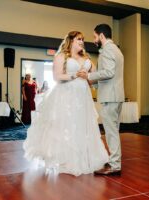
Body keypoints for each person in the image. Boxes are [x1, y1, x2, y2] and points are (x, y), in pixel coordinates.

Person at [23, 31, 109, 176]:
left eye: (83, 39)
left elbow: (94, 77)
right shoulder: (61, 56)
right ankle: (67, 159)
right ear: (71, 41)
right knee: (68, 125)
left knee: (84, 125)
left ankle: (86, 158)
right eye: (78, 39)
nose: (82, 42)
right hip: (67, 96)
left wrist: (90, 77)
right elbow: (56, 77)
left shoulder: (87, 57)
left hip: (84, 97)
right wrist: (74, 75)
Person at [77, 24, 124, 176]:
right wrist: (92, 81)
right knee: (113, 131)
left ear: (102, 36)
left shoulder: (108, 50)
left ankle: (115, 165)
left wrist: (89, 76)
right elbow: (111, 75)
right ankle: (114, 161)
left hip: (110, 97)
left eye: (95, 36)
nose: (94, 39)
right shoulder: (116, 50)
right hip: (115, 95)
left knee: (111, 132)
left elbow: (109, 72)